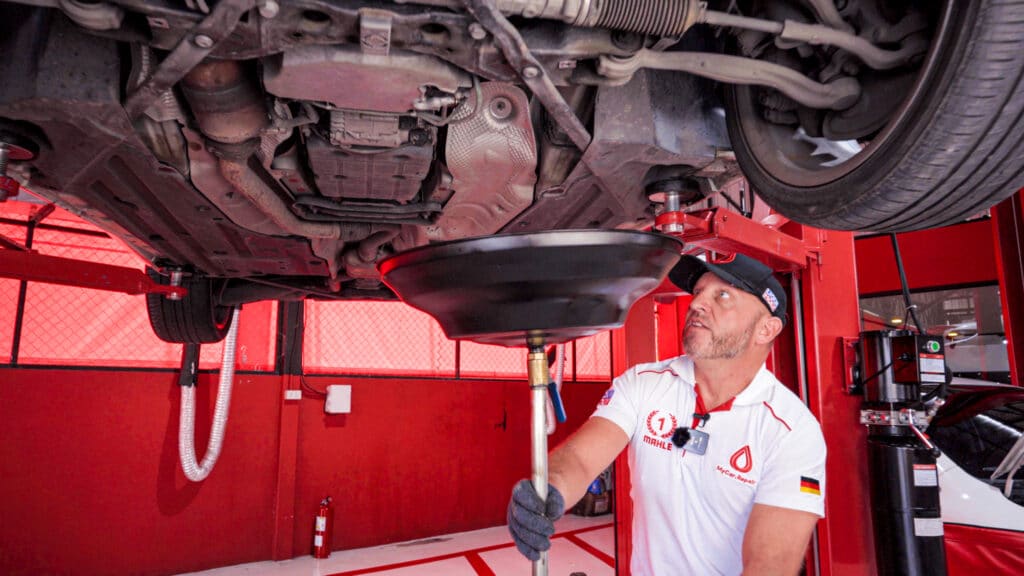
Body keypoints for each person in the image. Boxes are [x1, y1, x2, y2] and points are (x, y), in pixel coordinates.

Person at [507, 253, 827, 575]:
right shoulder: (642, 384)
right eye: (698, 292)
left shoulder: (792, 431)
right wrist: (549, 488)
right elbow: (580, 459)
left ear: (766, 329)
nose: (697, 304)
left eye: (723, 295)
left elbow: (771, 563)